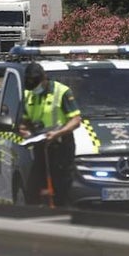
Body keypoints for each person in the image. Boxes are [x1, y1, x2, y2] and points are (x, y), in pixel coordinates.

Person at [18, 62, 82, 207]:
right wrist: (23, 129)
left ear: (44, 78)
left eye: (36, 85)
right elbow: (25, 120)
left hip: (61, 146)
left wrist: (58, 132)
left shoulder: (62, 92)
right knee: (33, 191)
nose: (34, 89)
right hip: (40, 146)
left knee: (62, 190)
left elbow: (76, 120)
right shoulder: (29, 94)